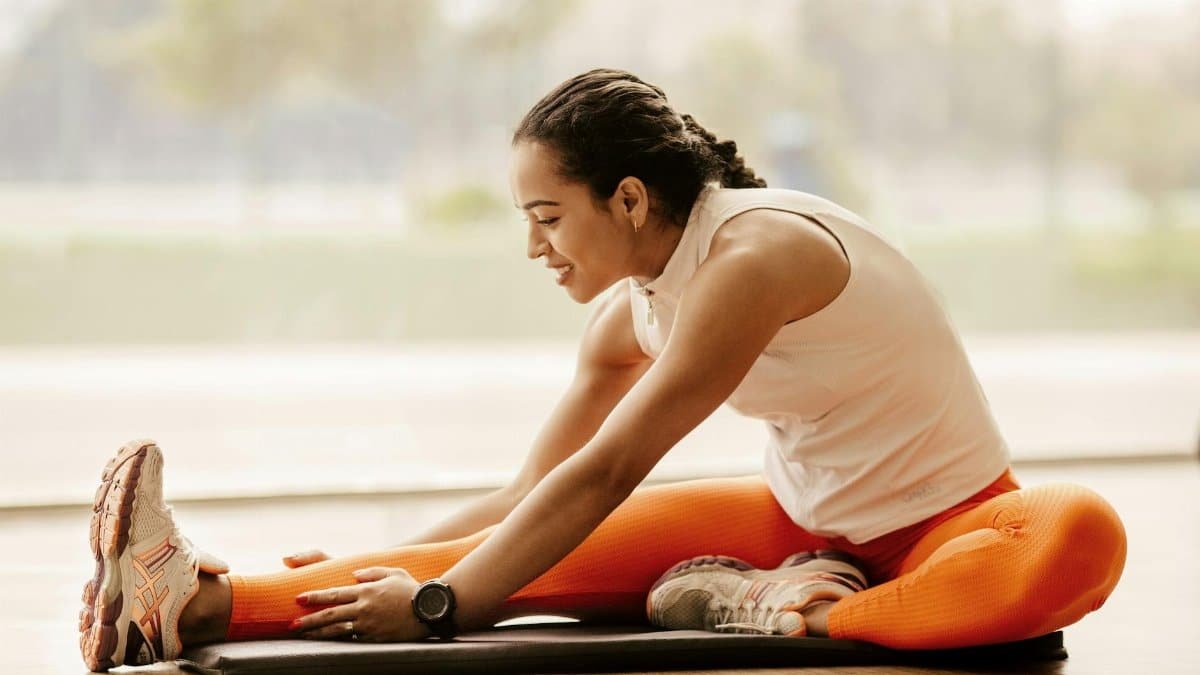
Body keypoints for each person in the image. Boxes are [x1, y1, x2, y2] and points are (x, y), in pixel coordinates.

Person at [78, 68, 1126, 672]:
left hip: (954, 527)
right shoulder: (631, 313)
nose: (534, 246)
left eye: (548, 216)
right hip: (800, 522)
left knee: (1081, 534)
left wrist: (442, 605)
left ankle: (798, 610)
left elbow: (612, 469)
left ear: (628, 198)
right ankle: (179, 599)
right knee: (498, 556)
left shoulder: (755, 259)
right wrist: (385, 564)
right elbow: (530, 497)